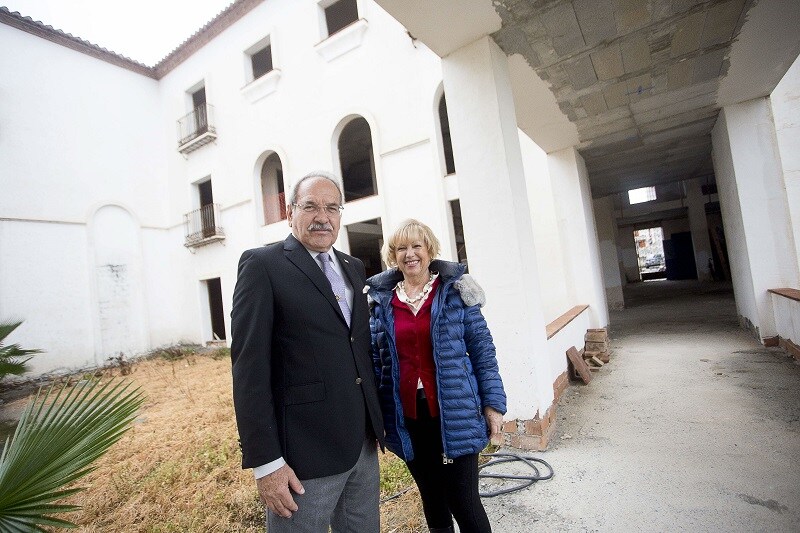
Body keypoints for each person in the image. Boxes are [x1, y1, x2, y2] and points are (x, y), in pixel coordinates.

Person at [230, 171, 384, 532]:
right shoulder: (262, 266)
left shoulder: (353, 267)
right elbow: (249, 371)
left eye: (332, 207)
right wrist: (267, 463)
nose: (322, 216)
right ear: (290, 213)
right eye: (311, 206)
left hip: (361, 445)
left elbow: (356, 346)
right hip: (302, 456)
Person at [367, 219, 507, 533]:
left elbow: (483, 351)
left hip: (455, 411)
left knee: (464, 501)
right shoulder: (381, 302)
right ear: (393, 255)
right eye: (401, 248)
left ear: (429, 250)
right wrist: (378, 420)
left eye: (417, 245)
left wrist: (493, 404)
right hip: (410, 417)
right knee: (432, 498)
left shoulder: (456, 292)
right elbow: (377, 364)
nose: (410, 254)